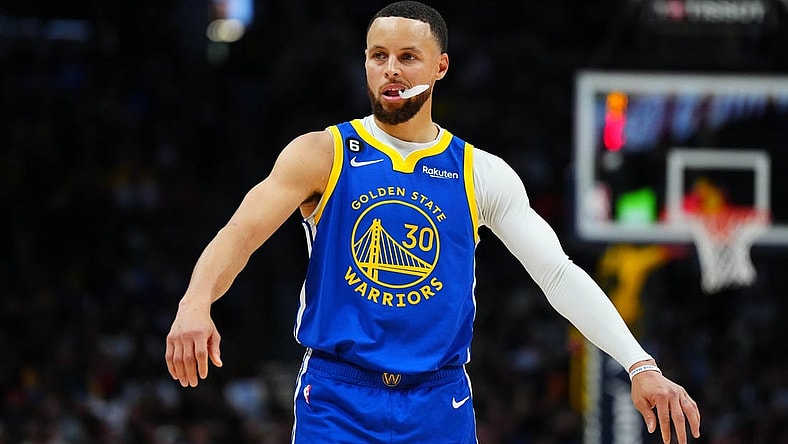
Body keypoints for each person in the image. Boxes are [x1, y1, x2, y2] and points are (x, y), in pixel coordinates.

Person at [165, 2, 701, 442]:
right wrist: (195, 302)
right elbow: (241, 234)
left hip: (438, 402)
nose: (391, 70)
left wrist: (640, 365)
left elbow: (557, 274)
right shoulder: (321, 154)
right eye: (378, 56)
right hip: (337, 396)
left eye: (407, 57)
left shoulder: (480, 173)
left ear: (440, 67)